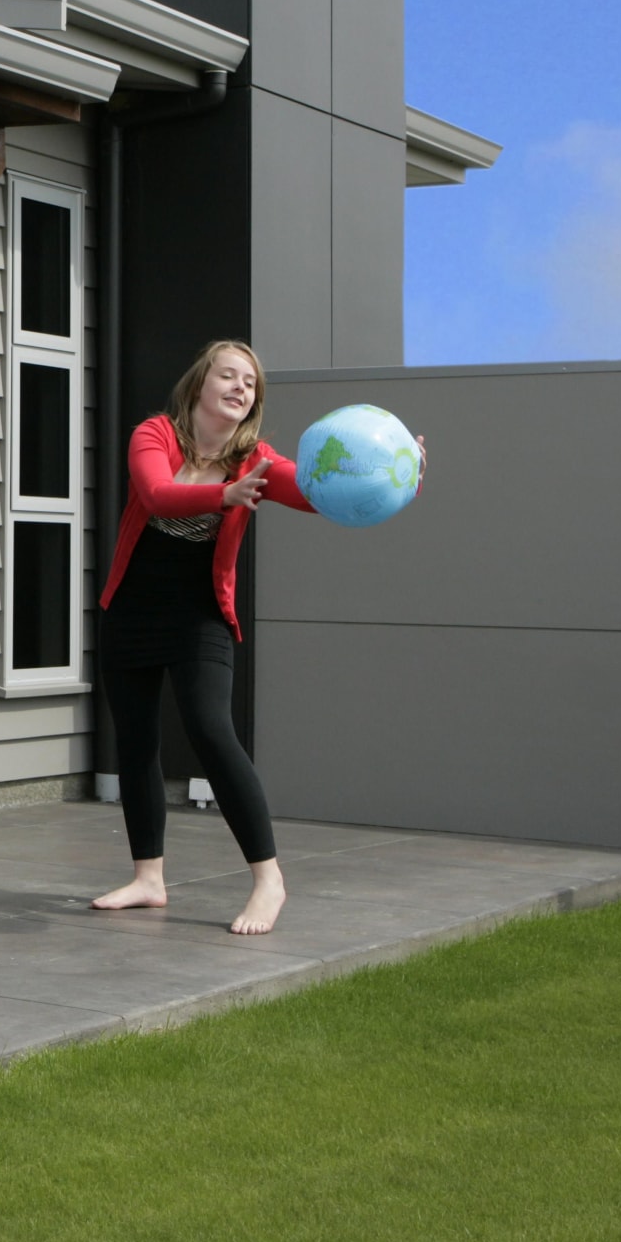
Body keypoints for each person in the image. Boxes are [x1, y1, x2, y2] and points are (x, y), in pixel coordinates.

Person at [89, 340, 423, 936]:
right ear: (200, 384)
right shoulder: (156, 436)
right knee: (136, 741)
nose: (242, 387)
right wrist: (223, 495)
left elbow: (321, 494)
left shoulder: (256, 462)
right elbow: (155, 495)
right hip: (131, 613)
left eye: (251, 383)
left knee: (212, 732)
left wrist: (394, 474)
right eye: (229, 375)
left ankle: (269, 879)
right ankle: (148, 878)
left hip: (200, 619)